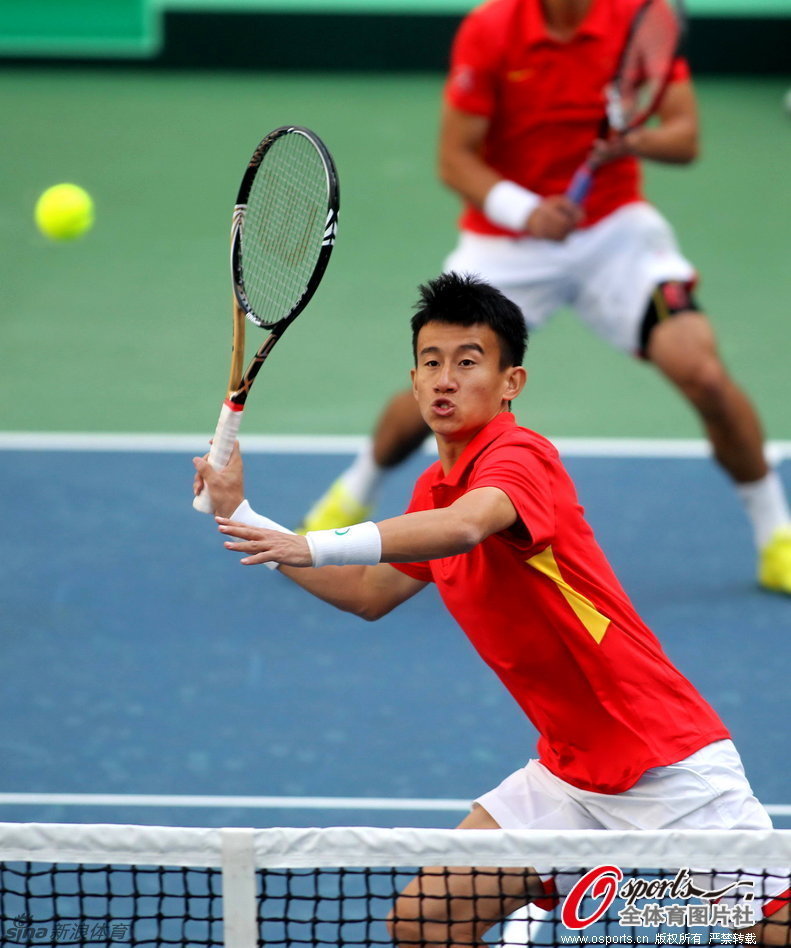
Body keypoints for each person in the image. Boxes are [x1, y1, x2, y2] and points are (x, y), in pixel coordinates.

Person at [194, 272, 789, 946]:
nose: (445, 379)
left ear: (511, 383)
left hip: (665, 762)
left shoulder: (518, 456)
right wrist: (242, 515)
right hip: (570, 775)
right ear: (413, 382)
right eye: (431, 362)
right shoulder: (434, 485)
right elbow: (369, 593)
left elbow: (468, 526)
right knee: (424, 924)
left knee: (768, 932)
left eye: (468, 362)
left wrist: (311, 543)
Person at [297, 0, 791, 595]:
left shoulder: (636, 17)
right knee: (441, 377)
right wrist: (525, 211)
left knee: (704, 372)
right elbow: (455, 159)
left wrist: (629, 139)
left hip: (615, 232)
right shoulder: (491, 30)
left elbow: (684, 139)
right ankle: (354, 488)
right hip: (507, 243)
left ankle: (775, 534)